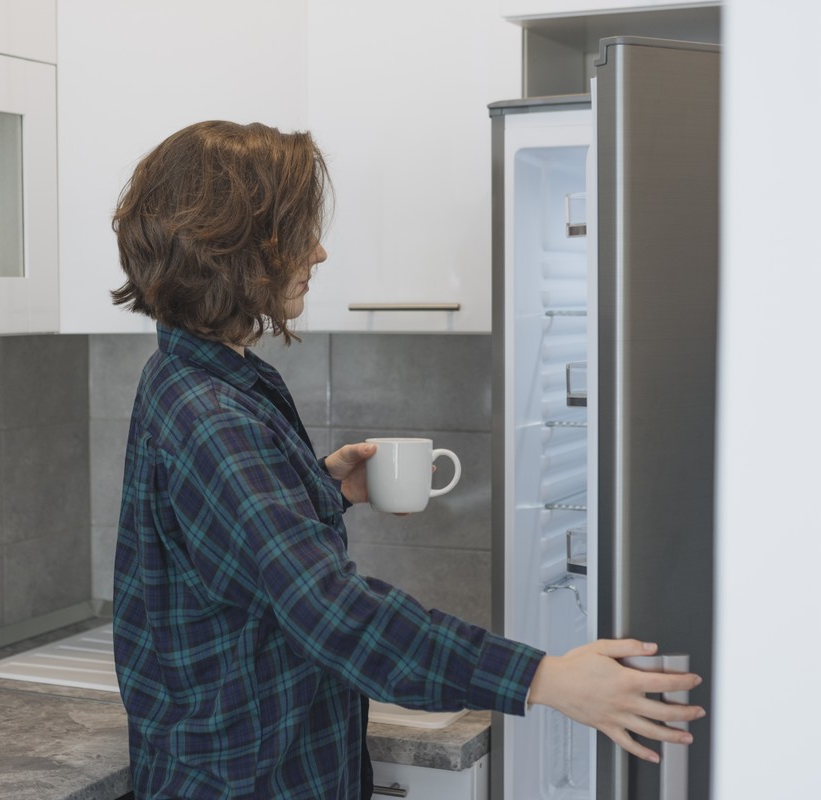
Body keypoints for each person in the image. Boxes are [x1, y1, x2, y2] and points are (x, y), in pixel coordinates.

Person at [109, 120, 704, 800]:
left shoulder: (193, 375)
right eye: (298, 230)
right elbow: (336, 617)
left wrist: (318, 487)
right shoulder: (214, 416)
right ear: (233, 245)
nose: (321, 251)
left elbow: (227, 549)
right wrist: (549, 679)